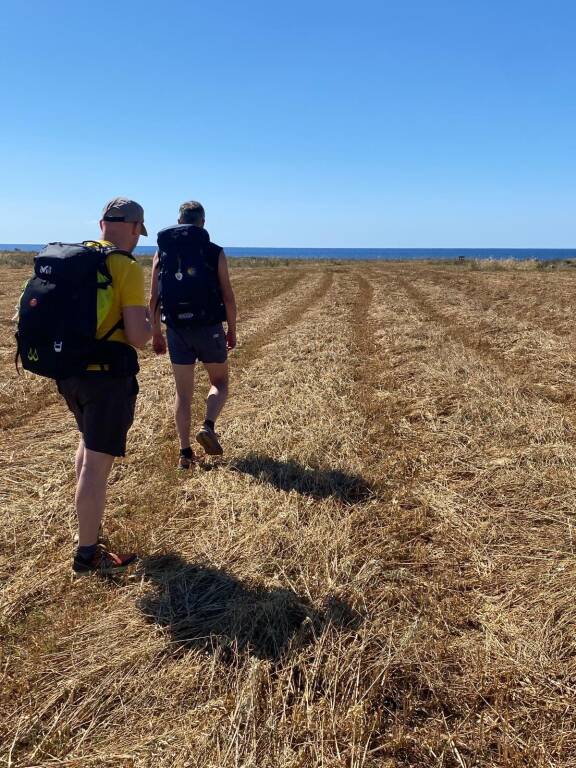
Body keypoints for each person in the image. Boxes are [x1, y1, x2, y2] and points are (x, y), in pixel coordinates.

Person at [57, 198, 152, 576]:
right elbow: (137, 337)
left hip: (68, 373)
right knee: (97, 465)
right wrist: (149, 321)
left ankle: (89, 530)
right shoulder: (123, 265)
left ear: (101, 223)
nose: (138, 239)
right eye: (138, 232)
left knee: (86, 446)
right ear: (133, 227)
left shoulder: (77, 257)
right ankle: (87, 555)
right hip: (106, 377)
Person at [149, 201, 237, 468]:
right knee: (220, 382)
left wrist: (156, 333)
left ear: (179, 221)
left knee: (182, 394)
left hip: (176, 329)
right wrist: (231, 329)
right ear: (203, 223)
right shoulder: (214, 252)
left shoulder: (161, 253)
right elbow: (228, 296)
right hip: (209, 326)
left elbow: (154, 297)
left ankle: (185, 454)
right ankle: (208, 426)